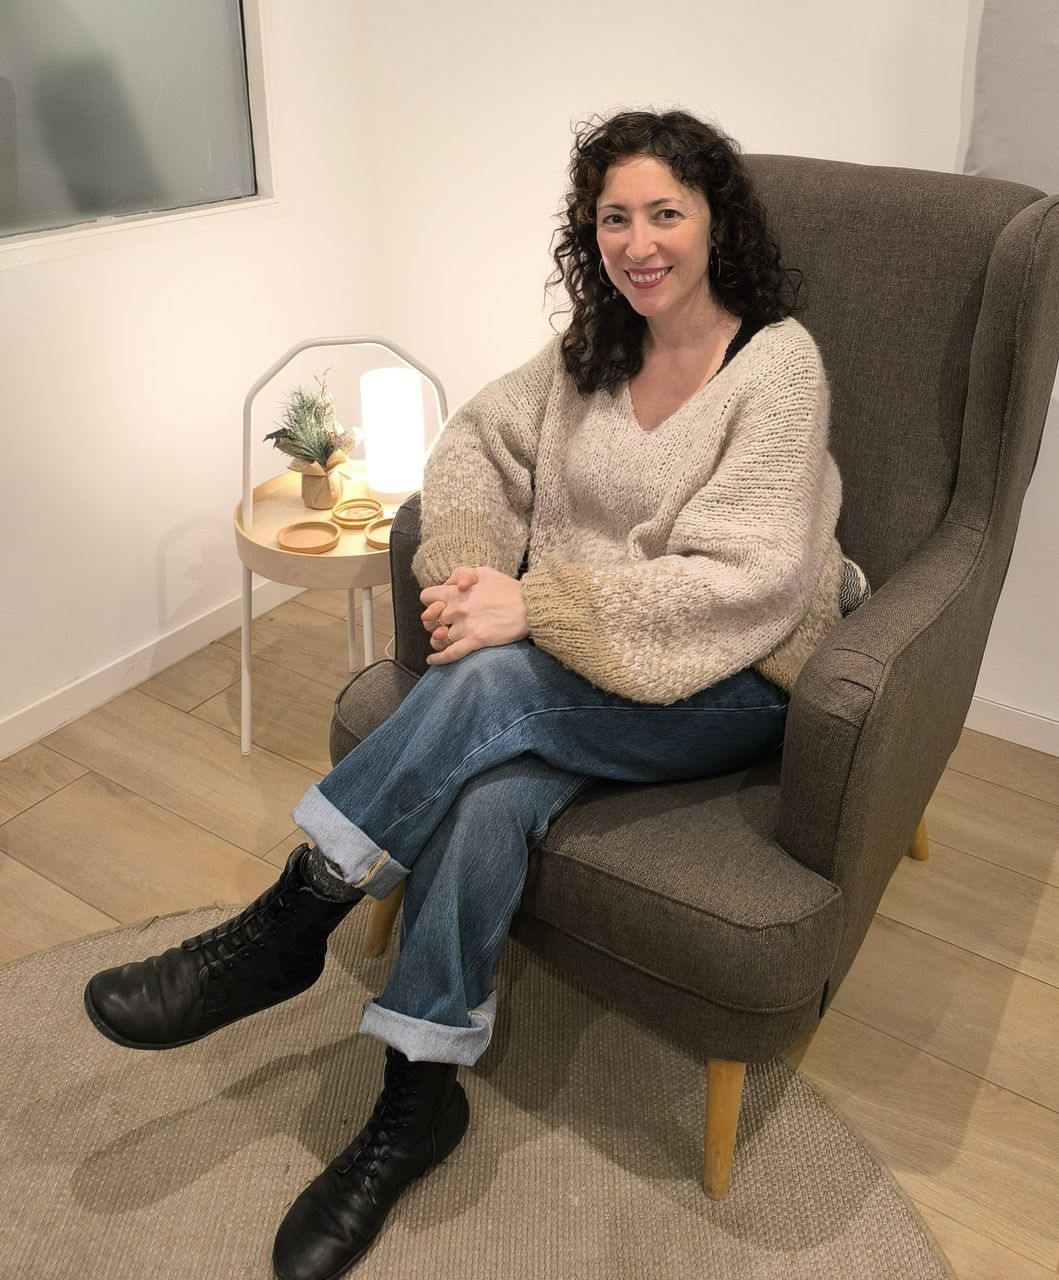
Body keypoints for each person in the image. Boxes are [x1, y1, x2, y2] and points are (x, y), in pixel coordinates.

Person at [82, 108, 845, 1280]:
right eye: (613, 218)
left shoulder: (776, 365)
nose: (637, 243)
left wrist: (530, 606)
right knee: (489, 794)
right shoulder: (594, 346)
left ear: (714, 222)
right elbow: (474, 448)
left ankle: (294, 914)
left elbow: (743, 582)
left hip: (732, 672)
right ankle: (418, 1094)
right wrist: (467, 570)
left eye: (664, 213)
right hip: (584, 666)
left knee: (493, 685)